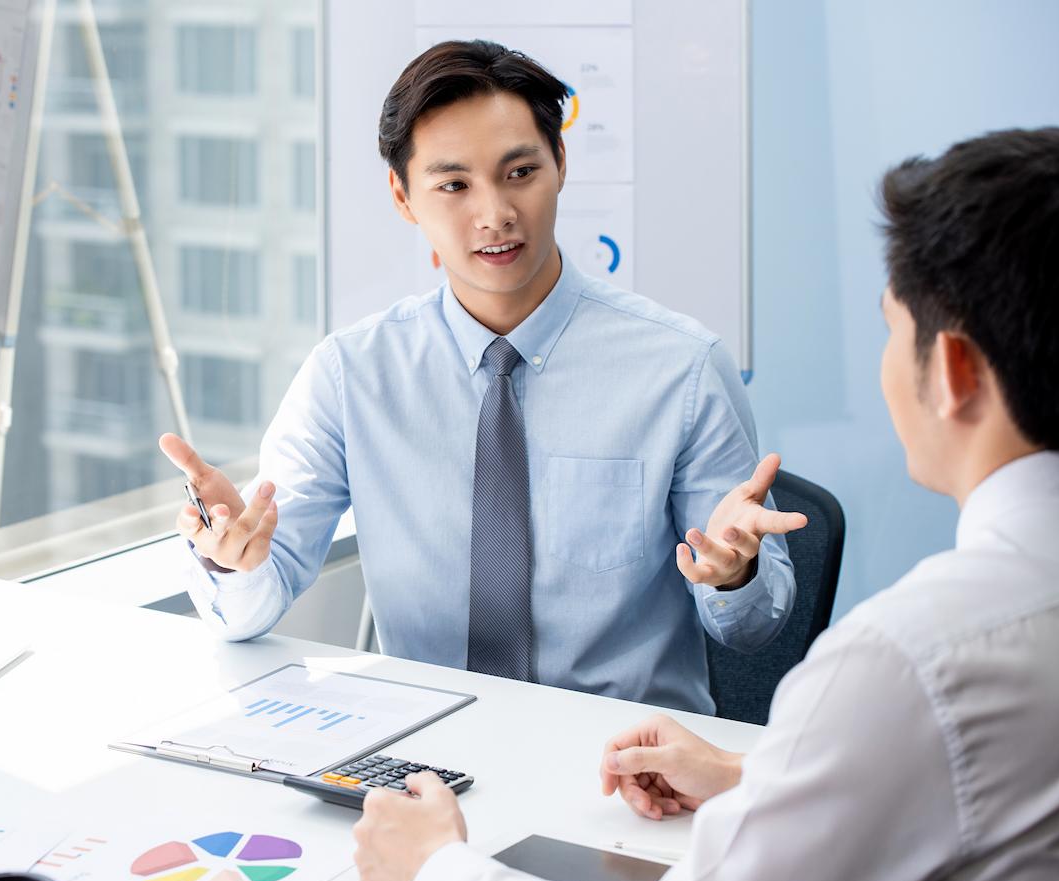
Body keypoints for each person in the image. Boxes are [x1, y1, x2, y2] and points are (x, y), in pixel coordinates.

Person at [351, 126, 1059, 881]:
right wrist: (755, 772)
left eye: (892, 327)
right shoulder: (360, 363)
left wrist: (435, 874)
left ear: (954, 369)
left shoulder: (910, 661)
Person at [160, 40, 803, 714]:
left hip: (627, 769)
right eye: (454, 185)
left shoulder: (683, 370)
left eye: (520, 171)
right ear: (404, 197)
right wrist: (234, 560)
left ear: (560, 162)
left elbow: (755, 626)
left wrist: (736, 576)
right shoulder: (350, 376)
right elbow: (250, 607)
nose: (494, 213)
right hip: (424, 760)